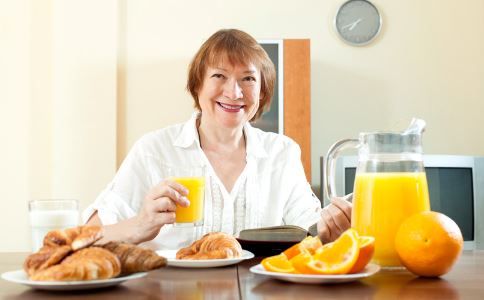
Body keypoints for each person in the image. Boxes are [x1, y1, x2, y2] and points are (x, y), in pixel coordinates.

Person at [84, 29, 352, 249]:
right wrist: (140, 224)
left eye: (248, 78)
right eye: (219, 76)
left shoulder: (282, 152)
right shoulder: (154, 150)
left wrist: (332, 228)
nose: (234, 92)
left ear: (261, 92)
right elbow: (86, 237)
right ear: (198, 84)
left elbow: (311, 232)